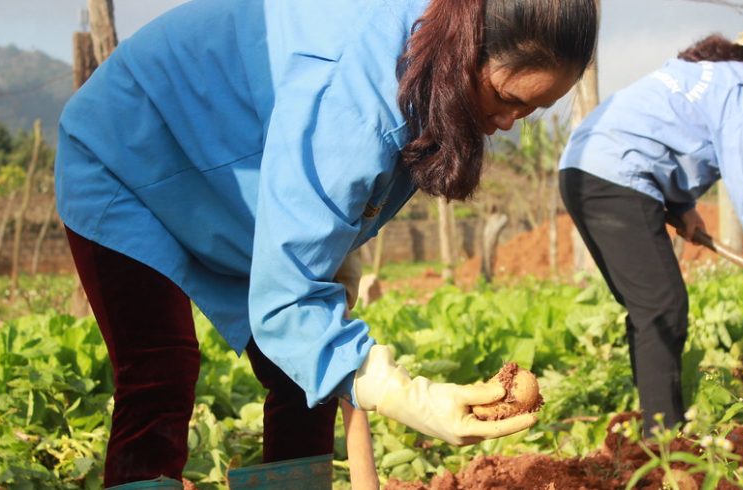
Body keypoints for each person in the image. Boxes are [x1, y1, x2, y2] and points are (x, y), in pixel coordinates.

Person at [54, 0, 597, 487]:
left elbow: (332, 184)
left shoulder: (429, 55)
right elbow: (289, 293)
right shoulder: (361, 93)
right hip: (127, 155)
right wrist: (405, 394)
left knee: (301, 374)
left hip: (228, 176)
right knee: (160, 369)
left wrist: (337, 246)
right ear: (468, 46)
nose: (505, 122)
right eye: (505, 98)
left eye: (528, 111)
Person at [558, 13, 743, 433]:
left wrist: (680, 205)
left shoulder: (720, 73)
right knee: (662, 306)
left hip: (584, 169)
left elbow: (667, 130)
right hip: (615, 177)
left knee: (651, 307)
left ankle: (655, 427)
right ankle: (664, 443)